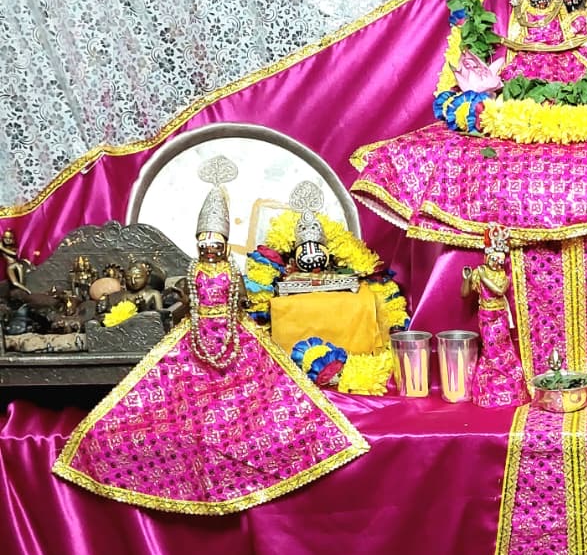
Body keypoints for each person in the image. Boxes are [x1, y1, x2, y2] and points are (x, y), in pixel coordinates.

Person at [53, 179, 368, 514]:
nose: (210, 249)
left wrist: (239, 310)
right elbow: (189, 300)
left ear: (224, 244)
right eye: (204, 243)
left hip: (234, 334)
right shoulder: (194, 271)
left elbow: (240, 298)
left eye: (215, 243)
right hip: (196, 335)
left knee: (275, 390)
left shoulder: (231, 271)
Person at [461, 224, 526, 408]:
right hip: (485, 317)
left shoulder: (503, 276)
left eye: (500, 260)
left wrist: (483, 276)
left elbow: (499, 291)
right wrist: (467, 278)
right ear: (488, 257)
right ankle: (489, 389)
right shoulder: (479, 272)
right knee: (489, 351)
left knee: (502, 349)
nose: (497, 263)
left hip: (500, 318)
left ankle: (509, 386)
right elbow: (464, 294)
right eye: (494, 258)